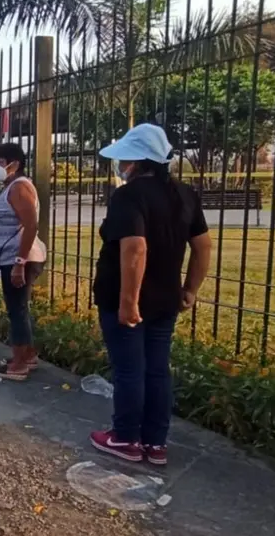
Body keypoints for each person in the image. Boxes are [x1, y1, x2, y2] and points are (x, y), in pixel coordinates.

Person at [88, 124, 211, 466]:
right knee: (157, 369)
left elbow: (135, 248)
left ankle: (125, 437)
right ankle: (155, 443)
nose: (120, 165)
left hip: (125, 298)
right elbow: (203, 245)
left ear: (135, 162)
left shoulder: (129, 196)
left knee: (129, 369)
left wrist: (129, 302)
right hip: (166, 298)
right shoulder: (184, 194)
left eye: (124, 159)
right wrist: (190, 289)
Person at [0, 143, 48, 381]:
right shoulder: (10, 186)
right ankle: (27, 356)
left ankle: (19, 365)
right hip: (9, 257)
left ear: (15, 164)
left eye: (0, 162)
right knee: (19, 309)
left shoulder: (20, 187)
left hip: (18, 259)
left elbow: (31, 225)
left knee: (17, 311)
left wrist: (19, 263)